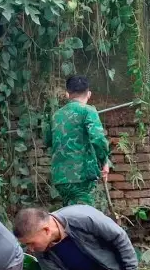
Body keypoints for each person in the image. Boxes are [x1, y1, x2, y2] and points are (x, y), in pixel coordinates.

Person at [45, 75, 111, 207]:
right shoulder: (88, 111)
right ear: (89, 94)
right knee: (84, 218)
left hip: (60, 179)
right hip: (82, 177)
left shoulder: (55, 115)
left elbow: (48, 141)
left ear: (67, 94)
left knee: (69, 215)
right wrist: (104, 161)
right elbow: (98, 139)